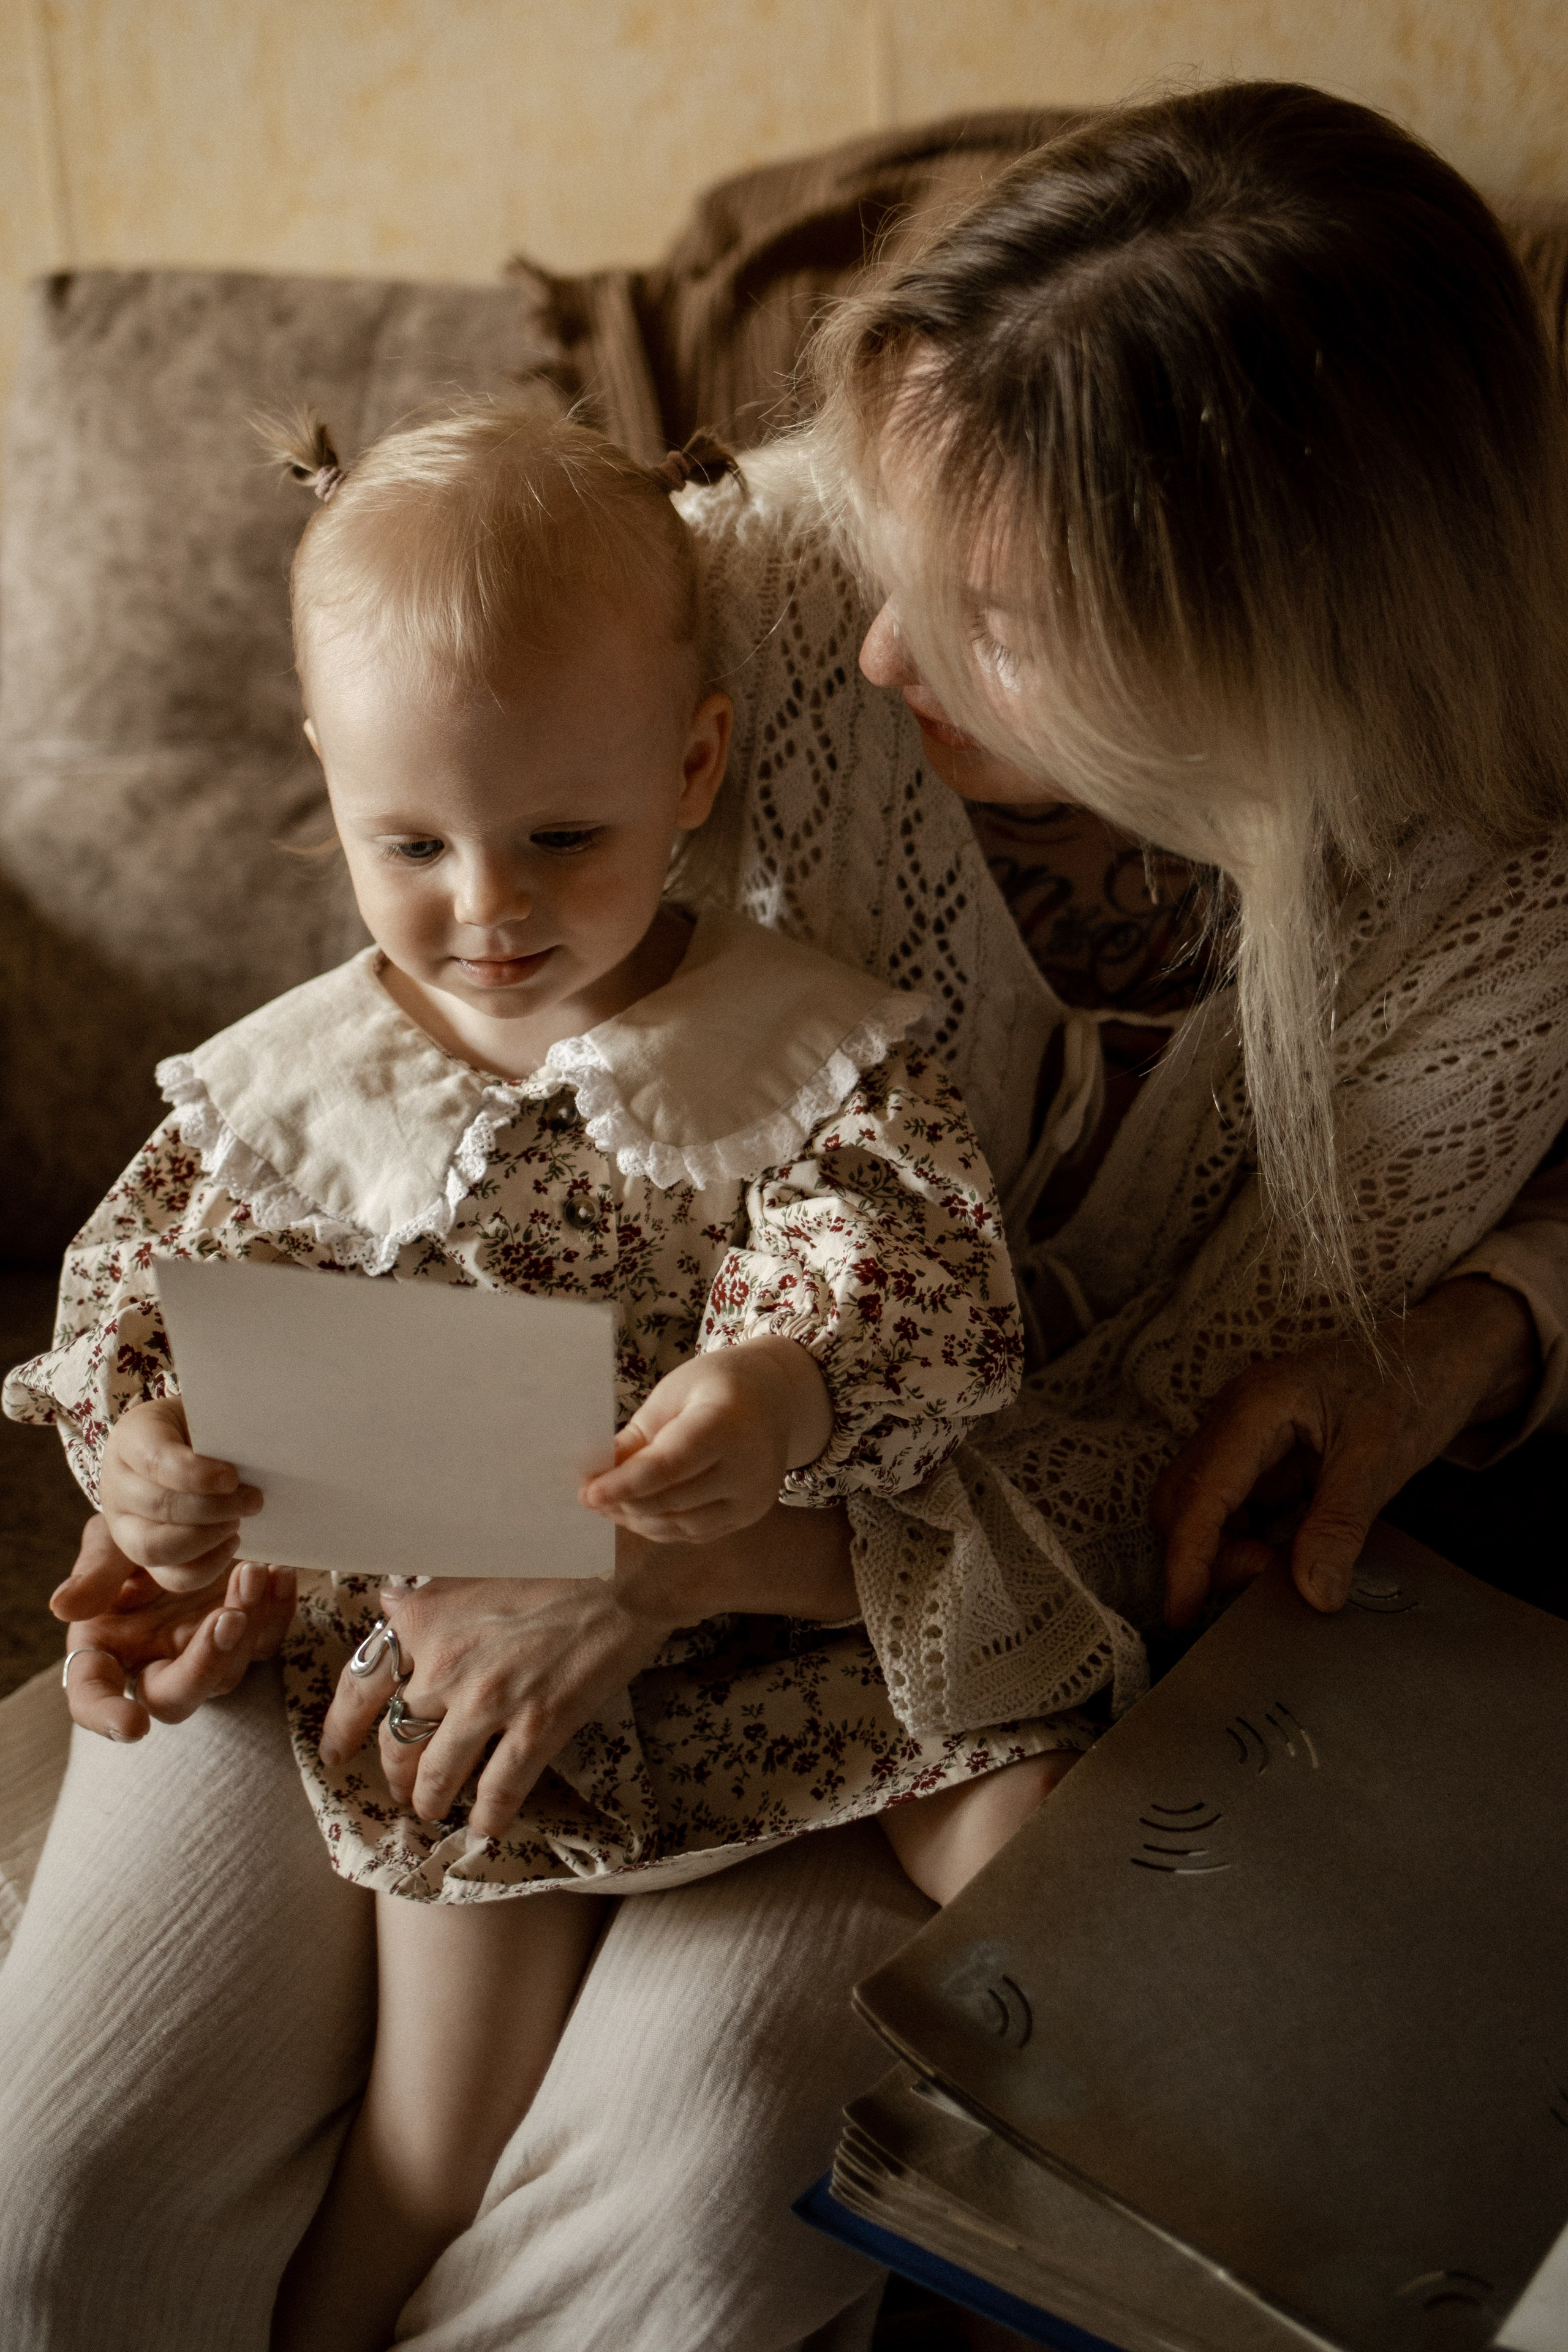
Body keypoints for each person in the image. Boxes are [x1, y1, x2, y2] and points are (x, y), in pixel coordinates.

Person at [3, 80, 1567, 2352]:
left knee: (666, 2225)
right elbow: (366, 1076)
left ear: (1257, 663)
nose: (876, 652)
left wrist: (691, 1555)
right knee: (59, 2196)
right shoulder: (748, 602)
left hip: (894, 1661)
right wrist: (183, 1466)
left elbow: (1175, 1461)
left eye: (997, 622)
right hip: (401, 1533)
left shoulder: (1493, 934)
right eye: (895, 549)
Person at [3, 399, 1058, 2351]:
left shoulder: (802, 1046)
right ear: (326, 785)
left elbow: (902, 1280)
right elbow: (128, 1322)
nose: (485, 911)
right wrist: (138, 1461)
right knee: (427, 2130)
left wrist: (776, 1394)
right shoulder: (285, 1091)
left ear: (694, 766)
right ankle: (348, 2298)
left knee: (1028, 1807)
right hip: (432, 1664)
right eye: (408, 842)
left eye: (559, 839)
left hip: (772, 1651)